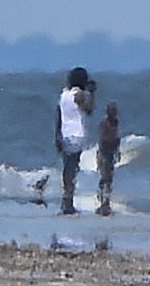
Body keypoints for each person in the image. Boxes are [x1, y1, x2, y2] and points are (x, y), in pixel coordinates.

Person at [52, 68, 96, 215]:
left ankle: (66, 199)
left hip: (64, 133)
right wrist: (92, 93)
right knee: (72, 168)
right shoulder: (81, 95)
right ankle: (68, 201)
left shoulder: (64, 95)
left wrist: (57, 135)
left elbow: (58, 115)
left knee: (67, 167)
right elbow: (89, 110)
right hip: (77, 135)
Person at [92, 96, 122, 216]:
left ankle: (106, 202)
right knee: (105, 176)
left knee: (109, 178)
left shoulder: (115, 122)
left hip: (111, 150)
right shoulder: (104, 123)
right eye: (112, 111)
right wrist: (100, 155)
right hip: (105, 150)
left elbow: (115, 137)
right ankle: (102, 201)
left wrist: (117, 151)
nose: (114, 113)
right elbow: (102, 139)